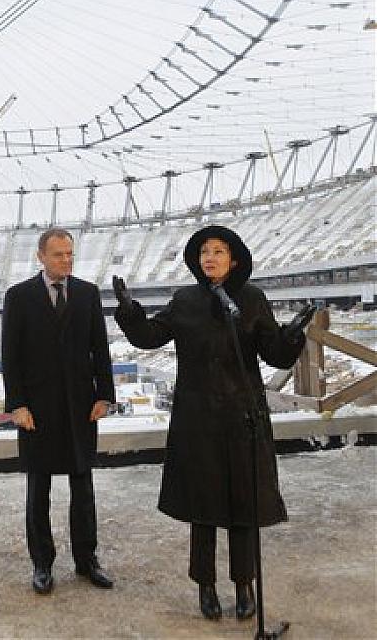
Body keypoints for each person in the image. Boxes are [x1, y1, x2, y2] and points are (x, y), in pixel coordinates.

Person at [113, 225, 312, 622]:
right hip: (197, 419)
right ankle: (205, 585)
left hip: (242, 416)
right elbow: (150, 337)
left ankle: (244, 584)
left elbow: (274, 355)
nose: (210, 258)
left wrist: (291, 335)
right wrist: (131, 312)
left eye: (219, 251)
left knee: (244, 504)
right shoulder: (185, 300)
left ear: (233, 260)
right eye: (205, 251)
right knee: (202, 507)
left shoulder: (251, 299)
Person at [1, 227, 116, 595]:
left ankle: (87, 560)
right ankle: (42, 563)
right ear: (41, 257)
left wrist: (105, 395)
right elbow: (10, 355)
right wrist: (17, 405)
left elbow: (100, 348)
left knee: (84, 489)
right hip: (37, 410)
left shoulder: (87, 293)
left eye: (70, 254)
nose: (66, 260)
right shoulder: (19, 296)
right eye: (58, 255)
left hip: (81, 407)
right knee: (39, 490)